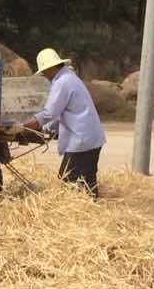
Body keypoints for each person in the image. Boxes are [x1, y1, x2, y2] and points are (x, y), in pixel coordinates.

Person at [15, 47, 106, 198]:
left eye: (44, 70)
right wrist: (49, 128)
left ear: (51, 67)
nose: (44, 74)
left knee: (68, 179)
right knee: (87, 182)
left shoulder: (62, 82)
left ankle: (87, 212)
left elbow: (49, 113)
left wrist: (22, 126)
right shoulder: (69, 78)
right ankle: (92, 208)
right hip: (90, 139)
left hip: (81, 141)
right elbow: (63, 113)